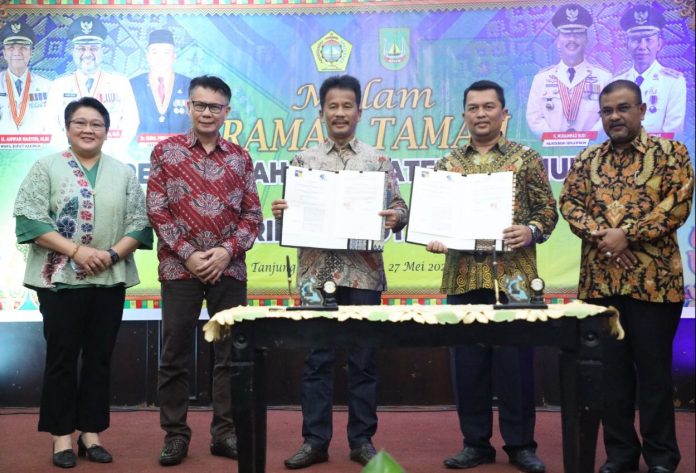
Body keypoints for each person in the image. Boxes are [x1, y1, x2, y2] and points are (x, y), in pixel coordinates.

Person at [271, 74, 408, 469]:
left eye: (347, 105)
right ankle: (315, 441)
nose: (340, 112)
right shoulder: (304, 161)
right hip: (317, 276)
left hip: (364, 275)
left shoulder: (378, 160)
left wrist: (396, 216)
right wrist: (283, 213)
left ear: (359, 112)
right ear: (322, 112)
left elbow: (400, 208)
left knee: (364, 359)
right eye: (333, 106)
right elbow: (292, 217)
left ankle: (362, 440)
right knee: (317, 360)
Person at [559, 79, 693, 473]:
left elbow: (677, 204)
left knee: (654, 376)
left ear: (642, 110)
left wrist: (627, 235)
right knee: (610, 379)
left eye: (623, 108)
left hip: (655, 286)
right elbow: (569, 203)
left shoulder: (671, 154)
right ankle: (620, 454)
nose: (614, 117)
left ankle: (661, 457)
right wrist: (604, 236)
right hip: (600, 287)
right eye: (607, 111)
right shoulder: (587, 159)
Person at [12, 96, 151, 468]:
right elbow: (29, 219)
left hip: (109, 279)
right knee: (61, 358)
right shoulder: (45, 167)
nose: (88, 130)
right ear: (67, 127)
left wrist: (110, 255)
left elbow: (139, 224)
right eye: (80, 123)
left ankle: (91, 433)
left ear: (107, 131)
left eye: (96, 124)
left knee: (99, 358)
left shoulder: (123, 173)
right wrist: (77, 251)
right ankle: (61, 437)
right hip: (59, 281)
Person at [427, 80, 557, 472]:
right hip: (464, 278)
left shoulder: (526, 158)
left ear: (504, 113)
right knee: (468, 368)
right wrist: (434, 237)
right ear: (464, 115)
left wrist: (530, 231)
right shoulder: (447, 165)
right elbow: (435, 219)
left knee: (515, 368)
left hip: (514, 279)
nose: (481, 114)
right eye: (473, 108)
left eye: (488, 107)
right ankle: (475, 444)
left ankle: (521, 446)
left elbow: (547, 212)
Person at [147, 75, 263, 467]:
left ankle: (224, 433)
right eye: (200, 105)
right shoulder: (166, 152)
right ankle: (175, 435)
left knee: (229, 355)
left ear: (227, 111)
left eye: (215, 106)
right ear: (189, 107)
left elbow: (252, 216)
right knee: (174, 352)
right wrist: (188, 254)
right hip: (178, 268)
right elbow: (157, 209)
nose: (207, 112)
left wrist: (226, 252)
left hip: (228, 269)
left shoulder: (241, 158)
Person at [46, 15, 139, 154]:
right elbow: (50, 126)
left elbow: (131, 123)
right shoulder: (58, 86)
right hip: (70, 159)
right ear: (73, 51)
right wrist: (74, 154)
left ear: (103, 51)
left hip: (110, 157)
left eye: (94, 48)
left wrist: (104, 154)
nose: (87, 54)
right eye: (81, 48)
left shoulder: (120, 84)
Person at [526, 3, 611, 136]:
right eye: (566, 34)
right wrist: (556, 141)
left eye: (578, 34)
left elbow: (608, 115)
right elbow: (534, 118)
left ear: (586, 39)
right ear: (558, 40)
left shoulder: (604, 78)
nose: (572, 39)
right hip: (552, 147)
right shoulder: (541, 79)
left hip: (592, 146)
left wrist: (587, 139)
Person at [613, 5, 686, 135]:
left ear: (659, 44)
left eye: (648, 40)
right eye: (636, 40)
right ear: (627, 44)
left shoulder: (673, 81)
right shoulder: (616, 82)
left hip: (659, 147)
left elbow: (673, 131)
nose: (642, 46)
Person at [130, 29, 191, 136]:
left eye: (166, 52)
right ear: (147, 56)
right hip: (140, 146)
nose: (160, 58)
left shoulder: (189, 85)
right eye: (155, 52)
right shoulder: (132, 85)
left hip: (180, 145)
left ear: (174, 56)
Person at [0, 19, 51, 134]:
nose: (17, 53)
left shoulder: (47, 87)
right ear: (4, 53)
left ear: (31, 52)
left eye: (23, 47)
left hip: (37, 145)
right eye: (11, 47)